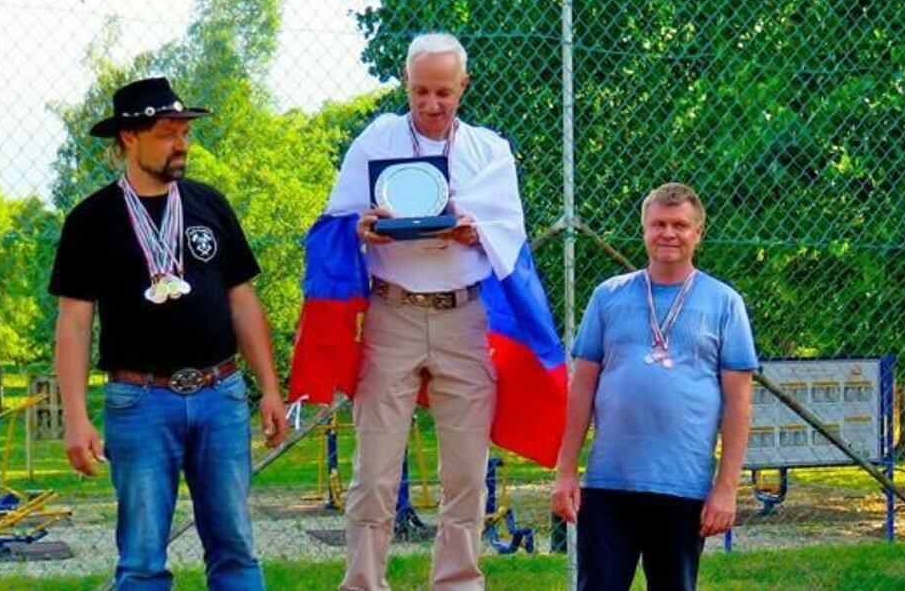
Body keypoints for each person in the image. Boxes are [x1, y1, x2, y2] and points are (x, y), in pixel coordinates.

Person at [49, 76, 288, 590]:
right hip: (139, 402)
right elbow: (74, 323)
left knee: (236, 549)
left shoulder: (210, 205)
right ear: (129, 137)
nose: (181, 144)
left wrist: (269, 388)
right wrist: (76, 417)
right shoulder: (91, 221)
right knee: (141, 559)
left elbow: (243, 301)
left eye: (185, 132)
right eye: (167, 133)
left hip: (220, 395)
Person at [322, 32, 536, 591]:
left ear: (463, 86)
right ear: (406, 84)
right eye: (420, 91)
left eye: (444, 91)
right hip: (391, 312)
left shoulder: (490, 151)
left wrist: (474, 231)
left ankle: (457, 582)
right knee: (374, 470)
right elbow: (337, 219)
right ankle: (363, 582)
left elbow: (509, 233)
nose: (432, 104)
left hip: (464, 317)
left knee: (466, 472)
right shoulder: (378, 139)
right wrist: (361, 228)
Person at [551, 183, 758, 591]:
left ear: (698, 233)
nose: (669, 233)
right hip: (610, 483)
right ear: (643, 229)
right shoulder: (608, 296)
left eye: (680, 225)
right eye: (659, 224)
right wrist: (565, 473)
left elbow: (738, 404)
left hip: (683, 485)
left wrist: (726, 489)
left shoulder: (724, 303)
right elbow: (581, 390)